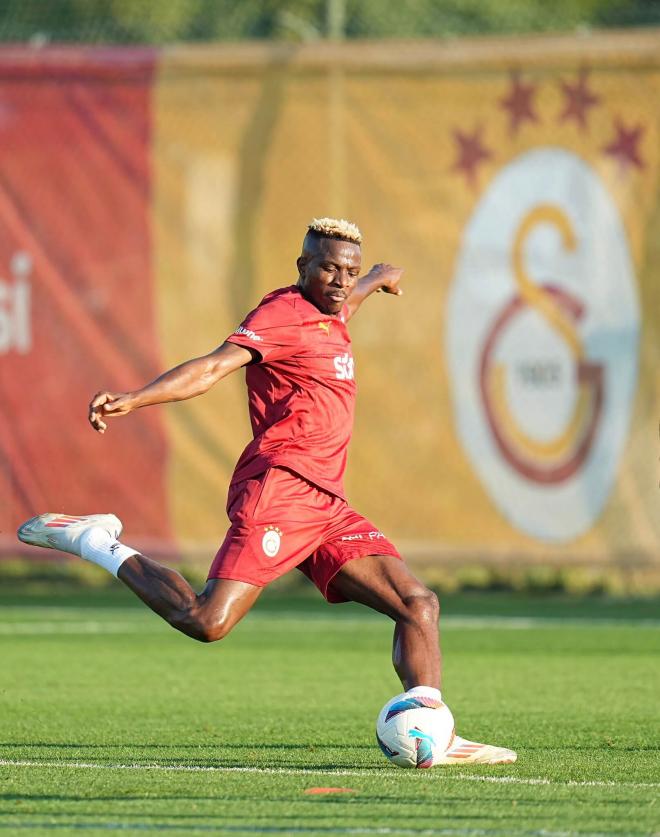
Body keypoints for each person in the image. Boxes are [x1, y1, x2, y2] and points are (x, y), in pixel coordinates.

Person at [18, 217, 515, 766]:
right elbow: (210, 368)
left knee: (417, 605)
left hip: (325, 503)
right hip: (280, 489)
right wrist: (136, 398)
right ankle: (95, 541)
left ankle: (434, 732)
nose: (339, 281)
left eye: (348, 271)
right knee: (207, 621)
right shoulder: (281, 315)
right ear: (302, 266)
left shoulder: (335, 309)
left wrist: (376, 277)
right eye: (328, 267)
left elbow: (347, 303)